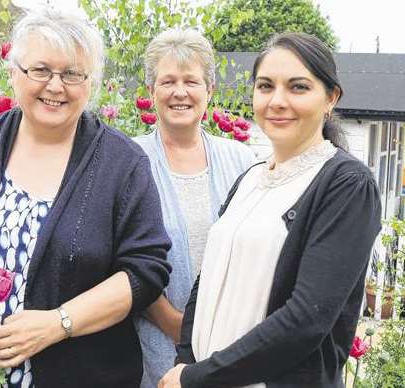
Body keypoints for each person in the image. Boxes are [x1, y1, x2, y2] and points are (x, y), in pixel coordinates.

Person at [0, 7, 171, 388]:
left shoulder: (123, 164)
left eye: (72, 73)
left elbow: (145, 270)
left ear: (90, 83)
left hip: (81, 375)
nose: (56, 86)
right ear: (14, 73)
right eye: (40, 70)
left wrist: (58, 323)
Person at [159, 32, 382, 388]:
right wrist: (185, 361)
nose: (277, 101)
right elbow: (207, 280)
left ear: (331, 97)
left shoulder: (345, 185)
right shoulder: (250, 178)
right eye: (265, 86)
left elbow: (306, 319)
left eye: (298, 87)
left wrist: (199, 377)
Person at [133, 28, 256, 388]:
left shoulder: (242, 159)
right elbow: (123, 259)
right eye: (168, 81)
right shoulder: (130, 160)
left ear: (210, 91)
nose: (180, 92)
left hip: (232, 345)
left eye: (192, 81)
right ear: (151, 91)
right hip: (154, 347)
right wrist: (180, 327)